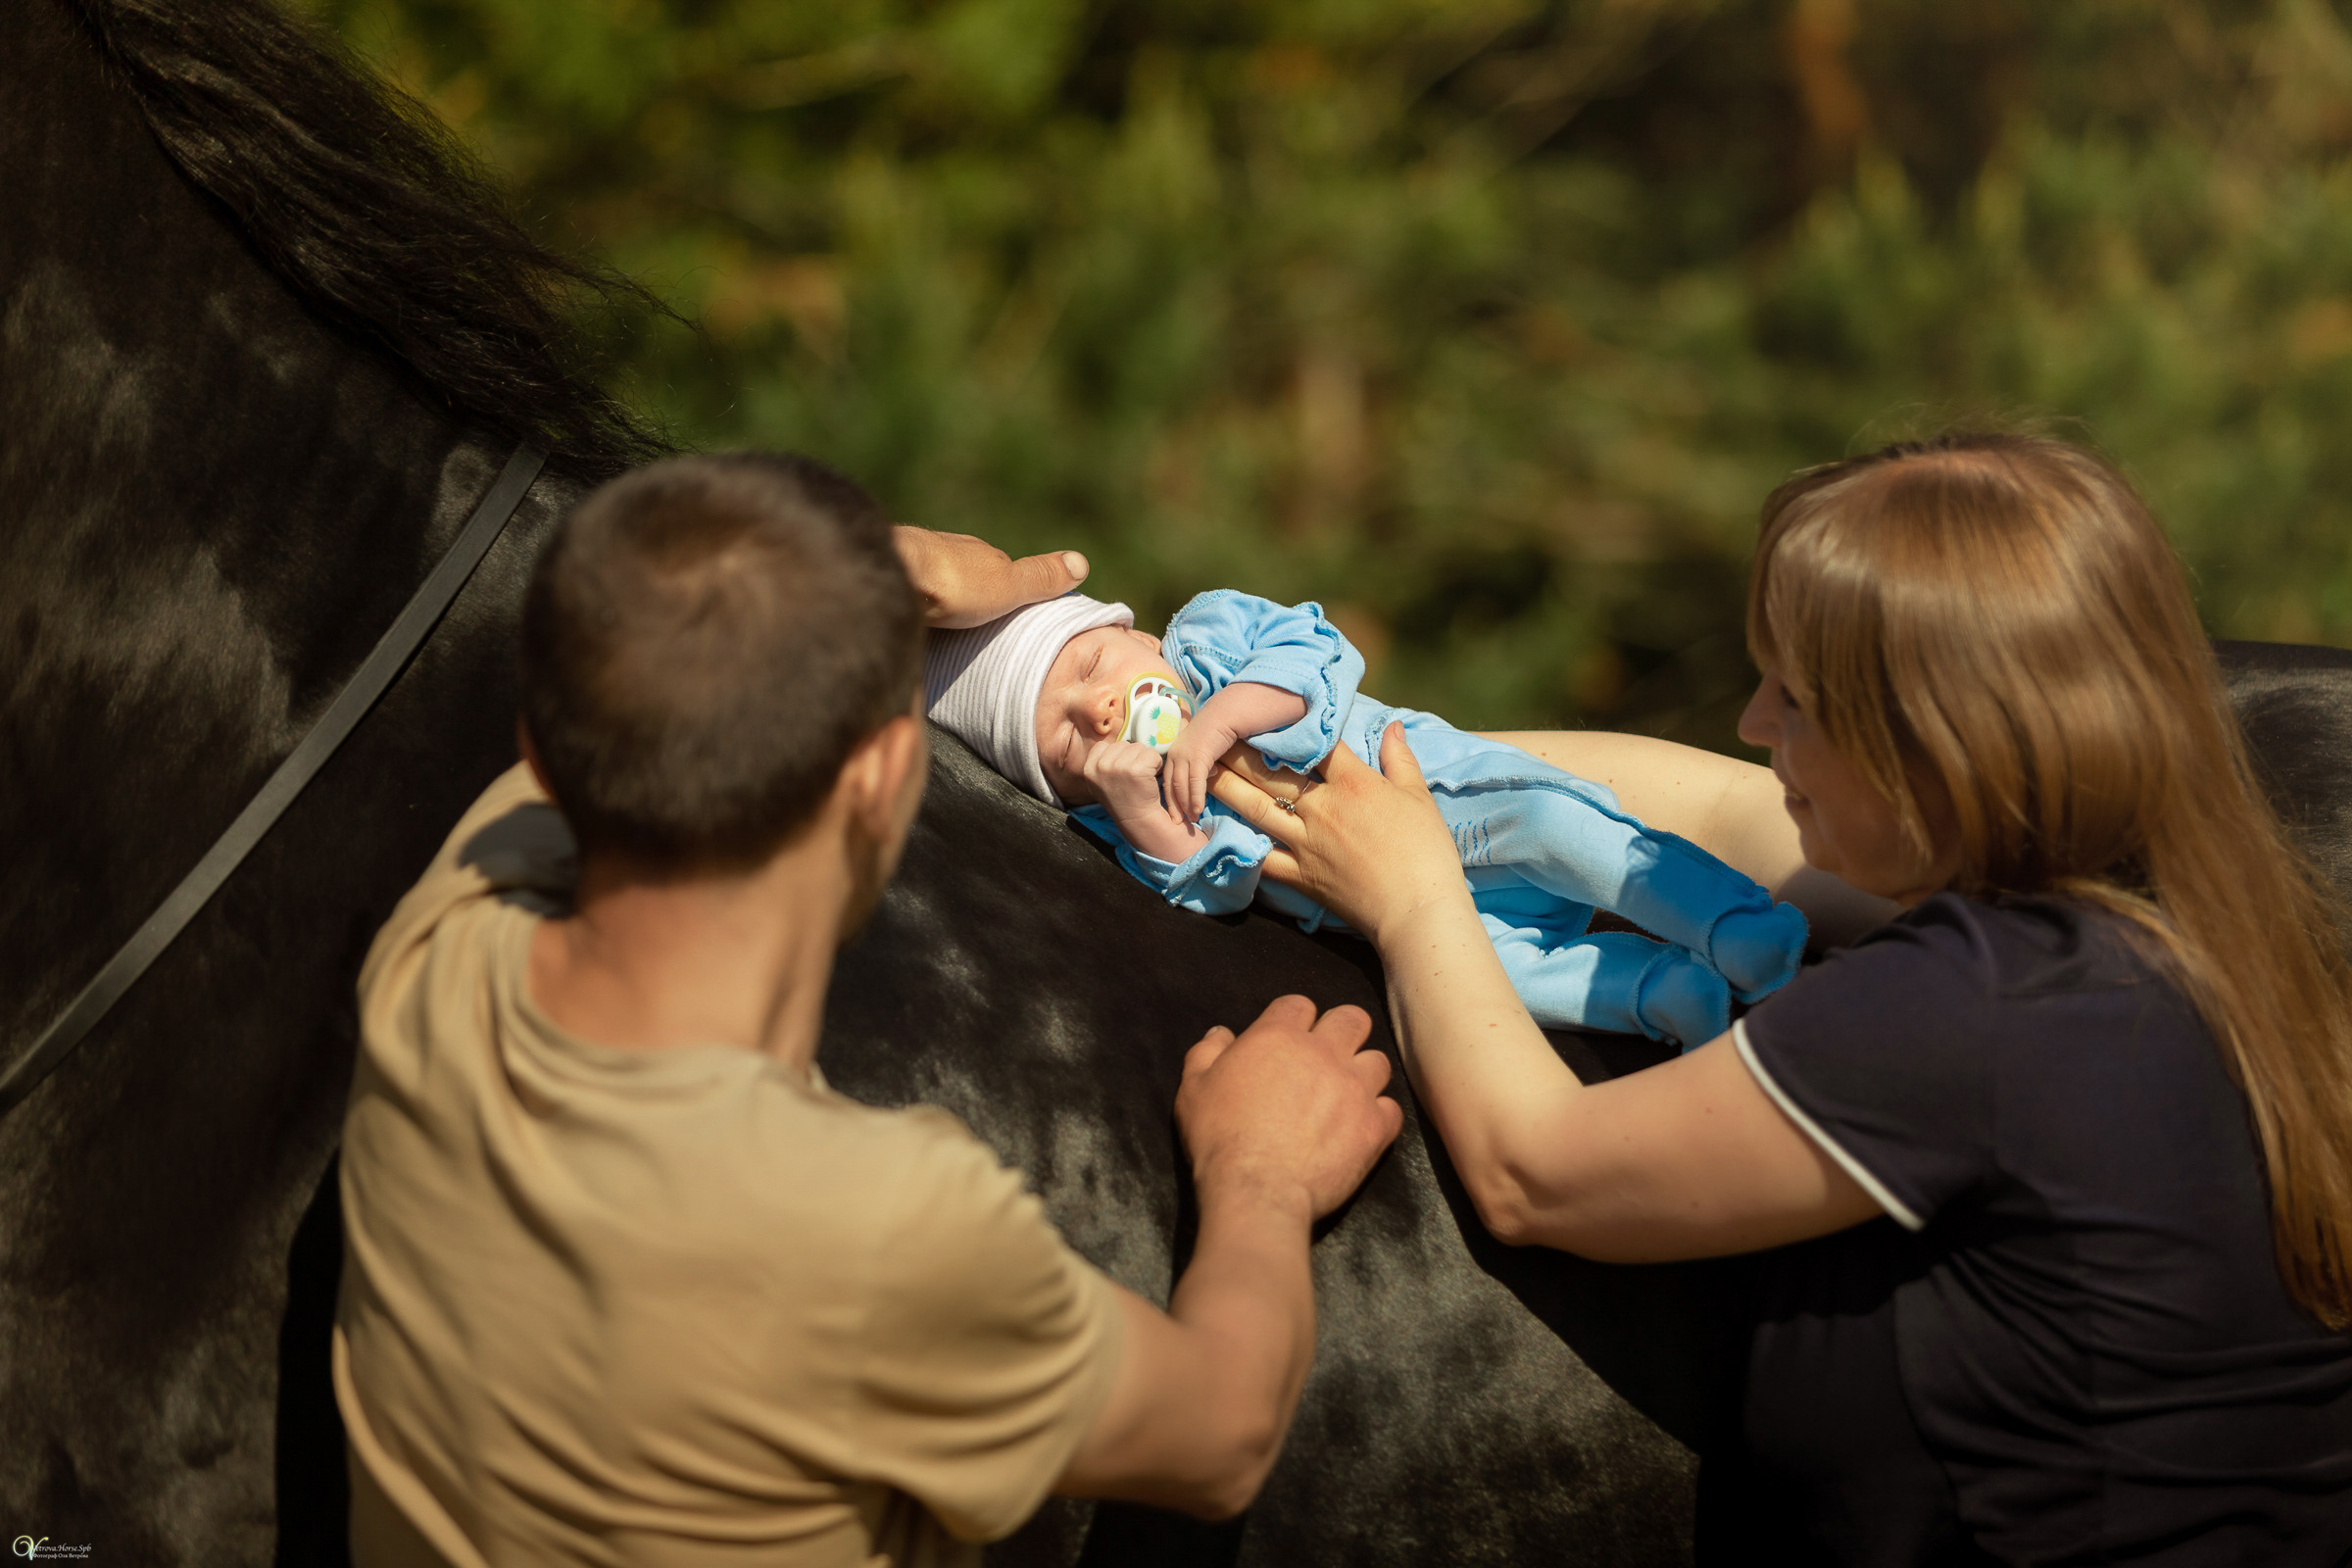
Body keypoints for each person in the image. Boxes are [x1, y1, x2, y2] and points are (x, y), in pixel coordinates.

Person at [1206, 434, 2352, 1563]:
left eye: (1796, 699)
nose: (1755, 721)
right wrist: (1362, 762)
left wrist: (1412, 899)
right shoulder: (2166, 917)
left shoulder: (1978, 1003)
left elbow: (1536, 1169)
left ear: (1937, 744)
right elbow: (1712, 813)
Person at [332, 453, 1403, 1568]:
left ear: (541, 754)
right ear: (893, 777)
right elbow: (1221, 1434)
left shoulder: (449, 944)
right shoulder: (873, 1233)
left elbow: (640, 626)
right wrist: (1263, 1180)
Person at [921, 586, 1806, 1046]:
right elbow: (1217, 890)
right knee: (1507, 984)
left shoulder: (1208, 637)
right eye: (1067, 747)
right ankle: (1665, 996)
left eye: (1088, 671)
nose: (1098, 715)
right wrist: (1139, 809)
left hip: (1435, 794)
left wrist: (1223, 721)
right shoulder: (1132, 824)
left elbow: (1317, 648)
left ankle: (1731, 922)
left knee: (1558, 826)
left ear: (1137, 637)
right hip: (1376, 901)